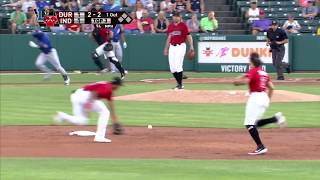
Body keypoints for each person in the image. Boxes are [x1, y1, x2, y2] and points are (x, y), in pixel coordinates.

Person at [233, 52, 287, 155]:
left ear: (252, 62)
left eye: (249, 60)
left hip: (256, 98)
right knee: (255, 123)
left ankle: (260, 146)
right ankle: (275, 119)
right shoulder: (263, 72)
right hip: (264, 97)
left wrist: (237, 81)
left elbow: (246, 81)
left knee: (249, 123)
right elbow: (272, 87)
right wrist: (268, 99)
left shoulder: (253, 71)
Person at [54, 77, 124, 143]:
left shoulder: (106, 85)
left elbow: (111, 106)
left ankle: (62, 116)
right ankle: (99, 137)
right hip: (85, 97)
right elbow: (93, 93)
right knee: (105, 112)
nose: (119, 88)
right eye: (119, 86)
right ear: (115, 84)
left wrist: (115, 121)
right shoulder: (107, 89)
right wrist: (88, 107)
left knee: (82, 120)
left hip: (76, 95)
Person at [163, 11, 194, 90]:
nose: (175, 17)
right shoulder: (170, 26)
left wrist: (191, 46)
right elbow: (169, 38)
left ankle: (180, 85)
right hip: (172, 47)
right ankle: (179, 84)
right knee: (172, 68)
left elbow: (189, 36)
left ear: (180, 17)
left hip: (180, 46)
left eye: (177, 16)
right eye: (174, 16)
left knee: (177, 66)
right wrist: (166, 48)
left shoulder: (183, 25)